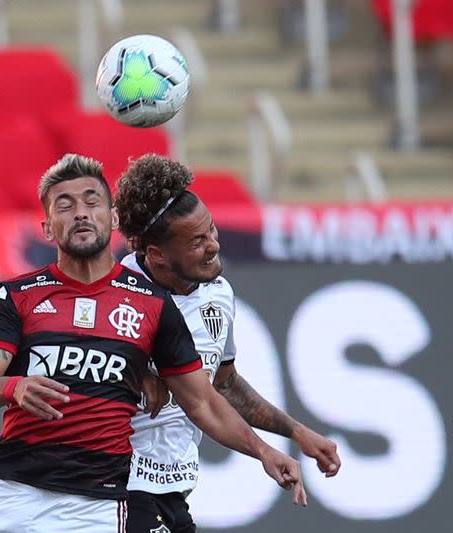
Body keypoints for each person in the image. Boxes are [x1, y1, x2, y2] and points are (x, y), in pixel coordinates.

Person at [0, 154, 307, 533]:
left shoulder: (152, 303)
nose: (80, 213)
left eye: (92, 202)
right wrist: (15, 385)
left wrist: (264, 452)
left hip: (95, 506)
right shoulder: (19, 295)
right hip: (11, 492)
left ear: (112, 218)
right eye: (66, 205)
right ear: (47, 228)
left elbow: (203, 400)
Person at [114, 154, 342, 533]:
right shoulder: (115, 291)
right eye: (197, 241)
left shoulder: (218, 294)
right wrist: (131, 371)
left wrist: (297, 432)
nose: (213, 246)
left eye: (212, 231)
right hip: (119, 485)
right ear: (157, 256)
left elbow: (221, 383)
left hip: (174, 485)